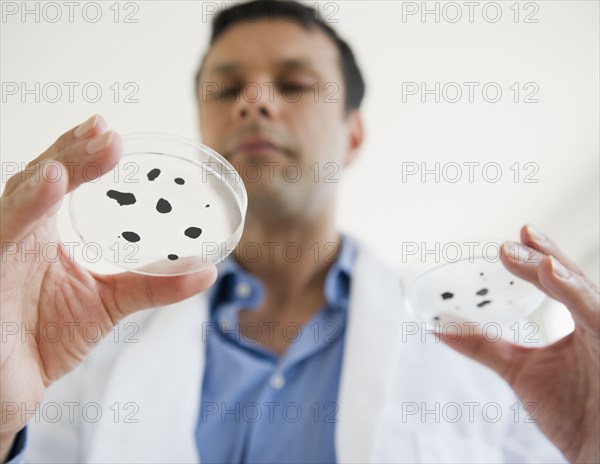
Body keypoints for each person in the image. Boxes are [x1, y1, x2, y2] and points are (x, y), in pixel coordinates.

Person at [1, 1, 598, 462]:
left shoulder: (488, 339)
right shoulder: (83, 340)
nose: (255, 102)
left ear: (354, 133)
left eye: (294, 85)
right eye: (228, 88)